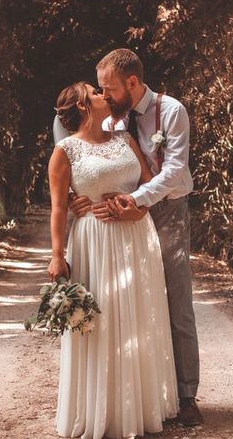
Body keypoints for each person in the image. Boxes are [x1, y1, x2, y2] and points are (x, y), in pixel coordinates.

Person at [79, 48, 203, 426]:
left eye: (109, 88)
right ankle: (144, 400)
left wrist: (136, 200)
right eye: (100, 89)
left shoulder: (171, 111)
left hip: (167, 213)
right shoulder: (112, 120)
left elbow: (173, 171)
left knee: (176, 303)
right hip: (126, 218)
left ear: (132, 83)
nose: (104, 96)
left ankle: (186, 397)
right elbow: (86, 152)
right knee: (135, 307)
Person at [48, 82, 178, 439]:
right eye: (94, 92)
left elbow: (150, 182)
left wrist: (138, 210)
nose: (105, 95)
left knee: (138, 317)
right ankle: (100, 411)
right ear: (81, 105)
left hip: (136, 238)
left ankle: (137, 407)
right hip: (94, 240)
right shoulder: (65, 151)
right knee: (101, 322)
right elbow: (59, 208)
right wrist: (57, 257)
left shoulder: (125, 140)